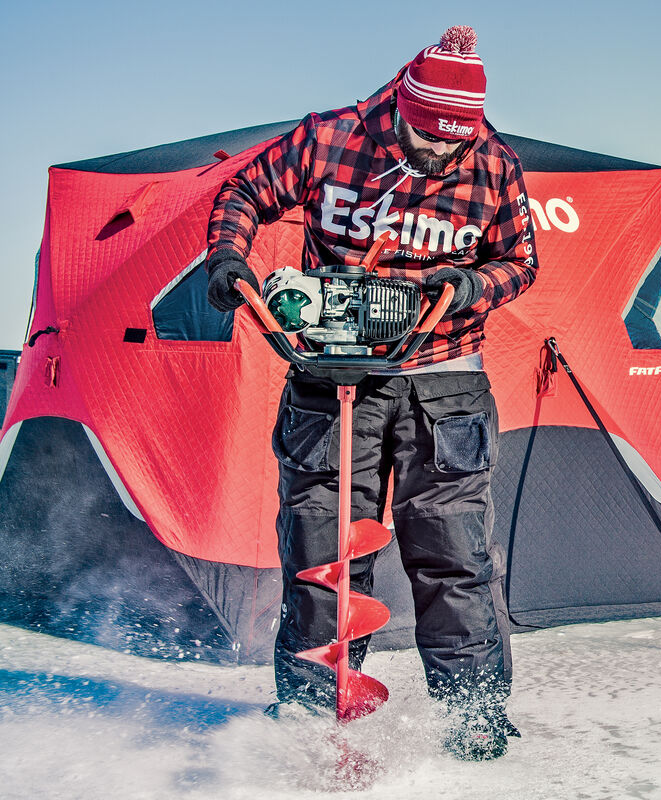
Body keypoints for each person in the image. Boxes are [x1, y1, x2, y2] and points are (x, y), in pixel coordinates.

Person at [205, 25, 538, 760]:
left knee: (455, 559)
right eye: (429, 139)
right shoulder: (328, 139)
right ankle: (312, 714)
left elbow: (521, 261)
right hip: (331, 378)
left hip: (444, 383)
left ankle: (474, 718)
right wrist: (228, 256)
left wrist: (472, 286)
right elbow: (242, 189)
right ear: (403, 110)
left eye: (455, 141)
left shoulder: (494, 163)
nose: (442, 153)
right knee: (322, 555)